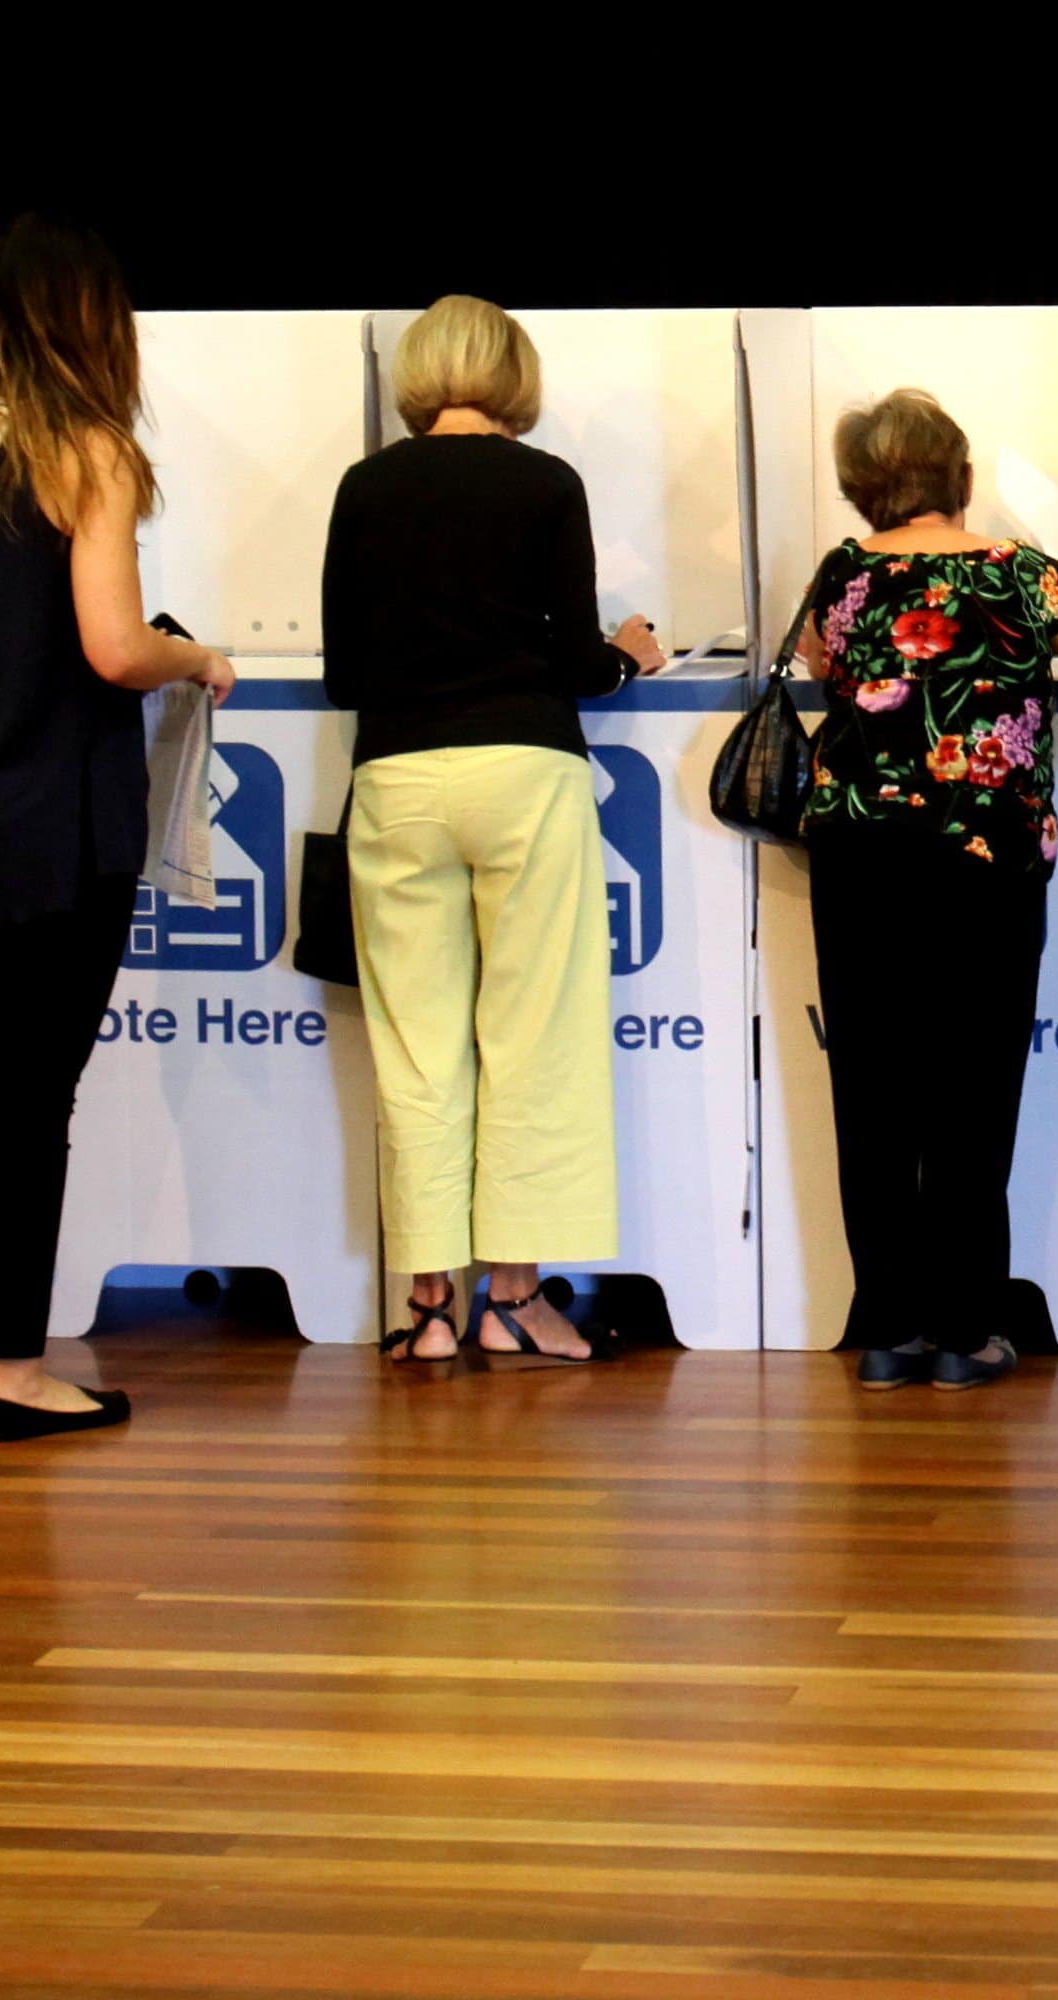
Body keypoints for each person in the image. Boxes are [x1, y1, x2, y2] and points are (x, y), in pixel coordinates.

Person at [0, 217, 232, 1440]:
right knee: (33, 1100)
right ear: (93, 328)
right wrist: (200, 656)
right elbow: (115, 647)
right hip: (55, 826)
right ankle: (21, 1371)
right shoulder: (90, 451)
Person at [324, 296, 667, 1371]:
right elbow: (573, 664)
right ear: (515, 377)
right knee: (536, 1038)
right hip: (525, 770)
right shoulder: (546, 482)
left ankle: (428, 1303)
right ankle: (513, 1299)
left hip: (400, 775)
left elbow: (344, 671)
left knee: (417, 1048)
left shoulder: (365, 485)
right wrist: (625, 654)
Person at [792, 389, 1058, 1392]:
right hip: (985, 861)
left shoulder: (845, 573)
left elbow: (823, 663)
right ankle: (965, 1330)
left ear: (861, 486)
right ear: (960, 475)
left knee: (872, 1089)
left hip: (859, 860)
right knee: (973, 1092)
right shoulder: (1017, 573)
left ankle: (888, 1332)